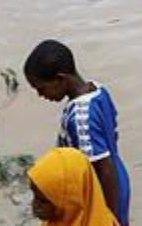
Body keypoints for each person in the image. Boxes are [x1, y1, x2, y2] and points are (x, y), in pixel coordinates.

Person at [24, 40, 131, 226]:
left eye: (42, 88)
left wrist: (106, 216)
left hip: (103, 190)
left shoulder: (81, 118)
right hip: (119, 176)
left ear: (60, 79)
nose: (41, 95)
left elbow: (103, 169)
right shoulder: (98, 90)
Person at [28, 148, 120, 226]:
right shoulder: (57, 220)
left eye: (43, 201)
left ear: (71, 200)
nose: (35, 205)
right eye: (35, 196)